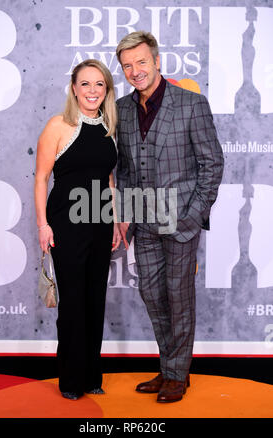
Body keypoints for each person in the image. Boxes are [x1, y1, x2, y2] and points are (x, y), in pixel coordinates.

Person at [115, 31, 224, 403]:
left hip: (182, 221)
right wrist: (127, 216)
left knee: (178, 296)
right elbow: (126, 169)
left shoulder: (192, 104)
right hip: (144, 222)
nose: (135, 71)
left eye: (141, 62)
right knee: (151, 293)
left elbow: (212, 164)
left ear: (157, 61)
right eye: (127, 66)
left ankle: (177, 374)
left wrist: (194, 216)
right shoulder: (123, 109)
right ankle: (167, 367)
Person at [34, 59, 121, 400]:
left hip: (99, 222)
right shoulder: (58, 125)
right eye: (85, 84)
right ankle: (70, 381)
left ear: (107, 90)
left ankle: (90, 376)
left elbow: (109, 179)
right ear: (74, 88)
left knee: (95, 299)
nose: (92, 91)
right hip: (66, 225)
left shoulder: (108, 126)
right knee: (73, 302)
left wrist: (114, 221)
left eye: (99, 84)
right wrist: (42, 224)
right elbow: (41, 178)